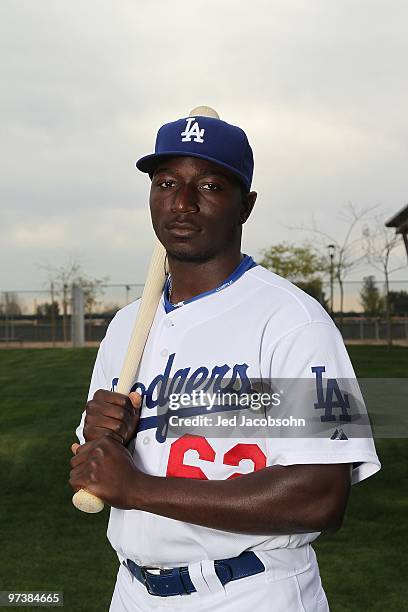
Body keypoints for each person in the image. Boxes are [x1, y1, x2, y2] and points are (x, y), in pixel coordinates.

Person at [69, 109, 380, 611]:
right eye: (167, 182)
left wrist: (139, 488)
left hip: (250, 591)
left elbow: (320, 497)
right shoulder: (127, 327)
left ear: (246, 205)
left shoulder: (290, 320)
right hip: (131, 592)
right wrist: (98, 437)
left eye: (210, 185)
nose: (183, 203)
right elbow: (95, 465)